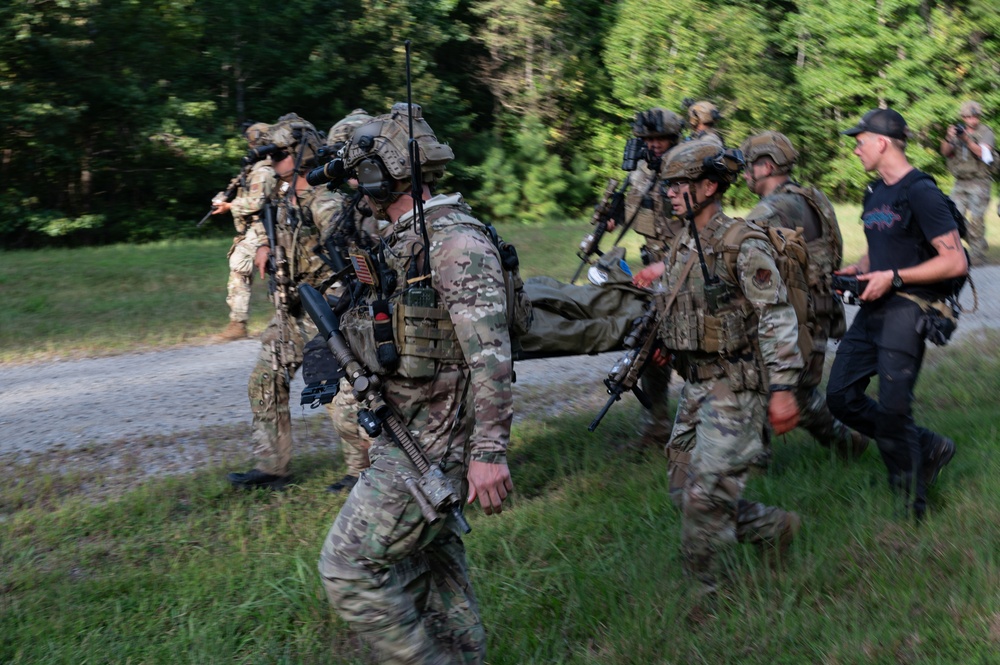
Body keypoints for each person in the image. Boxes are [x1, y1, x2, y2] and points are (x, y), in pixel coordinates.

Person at [317, 103, 514, 663]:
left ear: (384, 174)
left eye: (362, 172)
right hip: (410, 432)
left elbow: (492, 358)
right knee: (434, 581)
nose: (355, 183)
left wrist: (490, 453)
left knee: (348, 569)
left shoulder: (456, 245)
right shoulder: (409, 237)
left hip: (430, 449)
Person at [650, 140, 803, 598]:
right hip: (696, 388)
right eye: (669, 185)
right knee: (683, 490)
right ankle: (775, 527)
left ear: (710, 185)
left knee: (702, 498)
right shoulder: (680, 243)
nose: (671, 193)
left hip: (736, 387)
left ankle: (705, 597)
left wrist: (783, 390)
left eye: (680, 185)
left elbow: (777, 317)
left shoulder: (743, 242)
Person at [829, 108, 967, 520]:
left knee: (892, 409)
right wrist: (859, 266)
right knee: (839, 397)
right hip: (874, 306)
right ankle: (928, 447)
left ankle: (912, 509)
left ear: (882, 142)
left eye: (860, 141)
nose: (856, 149)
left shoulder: (920, 190)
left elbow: (955, 261)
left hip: (909, 309)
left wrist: (894, 277)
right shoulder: (875, 193)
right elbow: (884, 241)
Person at [226, 113, 369, 490]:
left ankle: (364, 470)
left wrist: (340, 312)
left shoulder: (324, 201)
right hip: (290, 310)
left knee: (337, 393)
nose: (272, 161)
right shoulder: (283, 195)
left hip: (325, 310)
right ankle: (273, 467)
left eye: (280, 153)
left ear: (302, 152)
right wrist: (265, 248)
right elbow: (269, 232)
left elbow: (356, 262)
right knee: (265, 380)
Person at [740, 130, 868, 460]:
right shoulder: (812, 196)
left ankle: (843, 444)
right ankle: (845, 444)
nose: (743, 172)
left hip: (798, 316)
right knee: (788, 390)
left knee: (782, 390)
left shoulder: (769, 210)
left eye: (748, 165)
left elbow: (741, 259)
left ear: (766, 166)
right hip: (820, 309)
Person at [621, 107, 685, 448]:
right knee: (650, 347)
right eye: (647, 139)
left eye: (660, 138)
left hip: (686, 270)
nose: (654, 145)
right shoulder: (645, 169)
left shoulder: (688, 168)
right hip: (654, 272)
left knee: (692, 354)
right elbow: (636, 209)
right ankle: (658, 426)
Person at [211, 122, 278, 340]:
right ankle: (238, 322)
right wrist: (225, 197)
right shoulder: (254, 169)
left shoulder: (265, 171)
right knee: (241, 264)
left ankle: (246, 323)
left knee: (280, 274)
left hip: (268, 229)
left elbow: (256, 203)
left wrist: (229, 206)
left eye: (251, 142)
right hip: (256, 229)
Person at [939, 100, 994, 264]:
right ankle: (977, 245)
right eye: (969, 117)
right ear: (963, 117)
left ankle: (977, 256)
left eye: (975, 117)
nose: (972, 120)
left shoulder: (985, 132)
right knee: (953, 217)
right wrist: (950, 138)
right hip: (960, 182)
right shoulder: (957, 132)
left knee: (976, 220)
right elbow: (945, 152)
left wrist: (967, 140)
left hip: (980, 181)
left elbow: (984, 154)